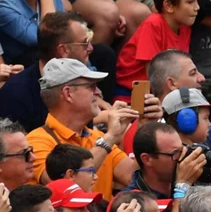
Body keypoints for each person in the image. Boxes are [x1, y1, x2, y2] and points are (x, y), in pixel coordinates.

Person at [28, 58, 133, 199]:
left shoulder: (97, 137)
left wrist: (146, 129)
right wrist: (111, 137)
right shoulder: (35, 142)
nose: (98, 92)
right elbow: (66, 186)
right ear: (68, 93)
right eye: (91, 86)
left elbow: (133, 177)